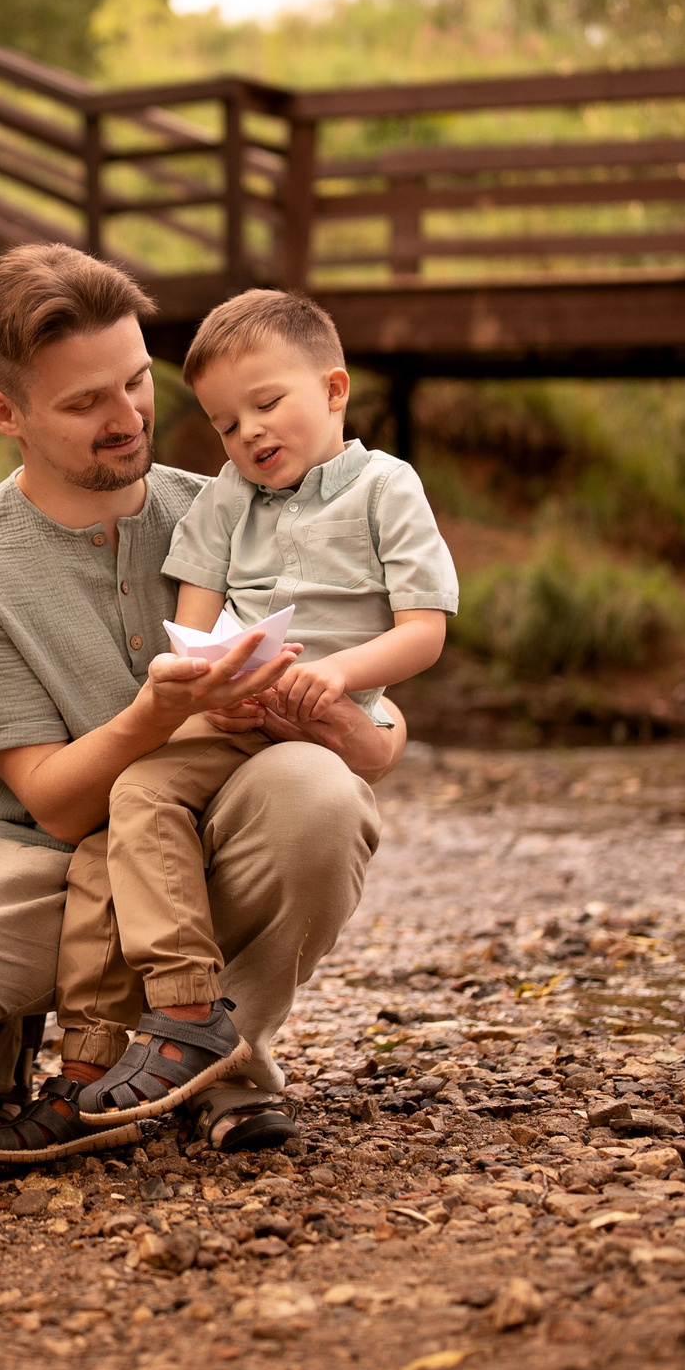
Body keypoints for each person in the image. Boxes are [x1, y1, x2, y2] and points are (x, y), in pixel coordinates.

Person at [0, 244, 407, 1161]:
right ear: (4, 413)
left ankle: (223, 1063)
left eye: (136, 381)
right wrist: (157, 713)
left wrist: (350, 730)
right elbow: (54, 801)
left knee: (317, 798)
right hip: (39, 863)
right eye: (85, 401)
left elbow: (380, 718)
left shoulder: (240, 508)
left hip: (210, 842)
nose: (127, 417)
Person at [60, 288, 457, 1137]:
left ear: (335, 389)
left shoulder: (386, 487)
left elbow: (424, 631)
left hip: (323, 712)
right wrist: (196, 679)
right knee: (132, 800)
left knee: (290, 802)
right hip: (236, 705)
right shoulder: (227, 500)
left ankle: (206, 1040)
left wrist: (339, 676)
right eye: (226, 425)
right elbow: (193, 622)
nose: (249, 436)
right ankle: (168, 1018)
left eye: (268, 405)